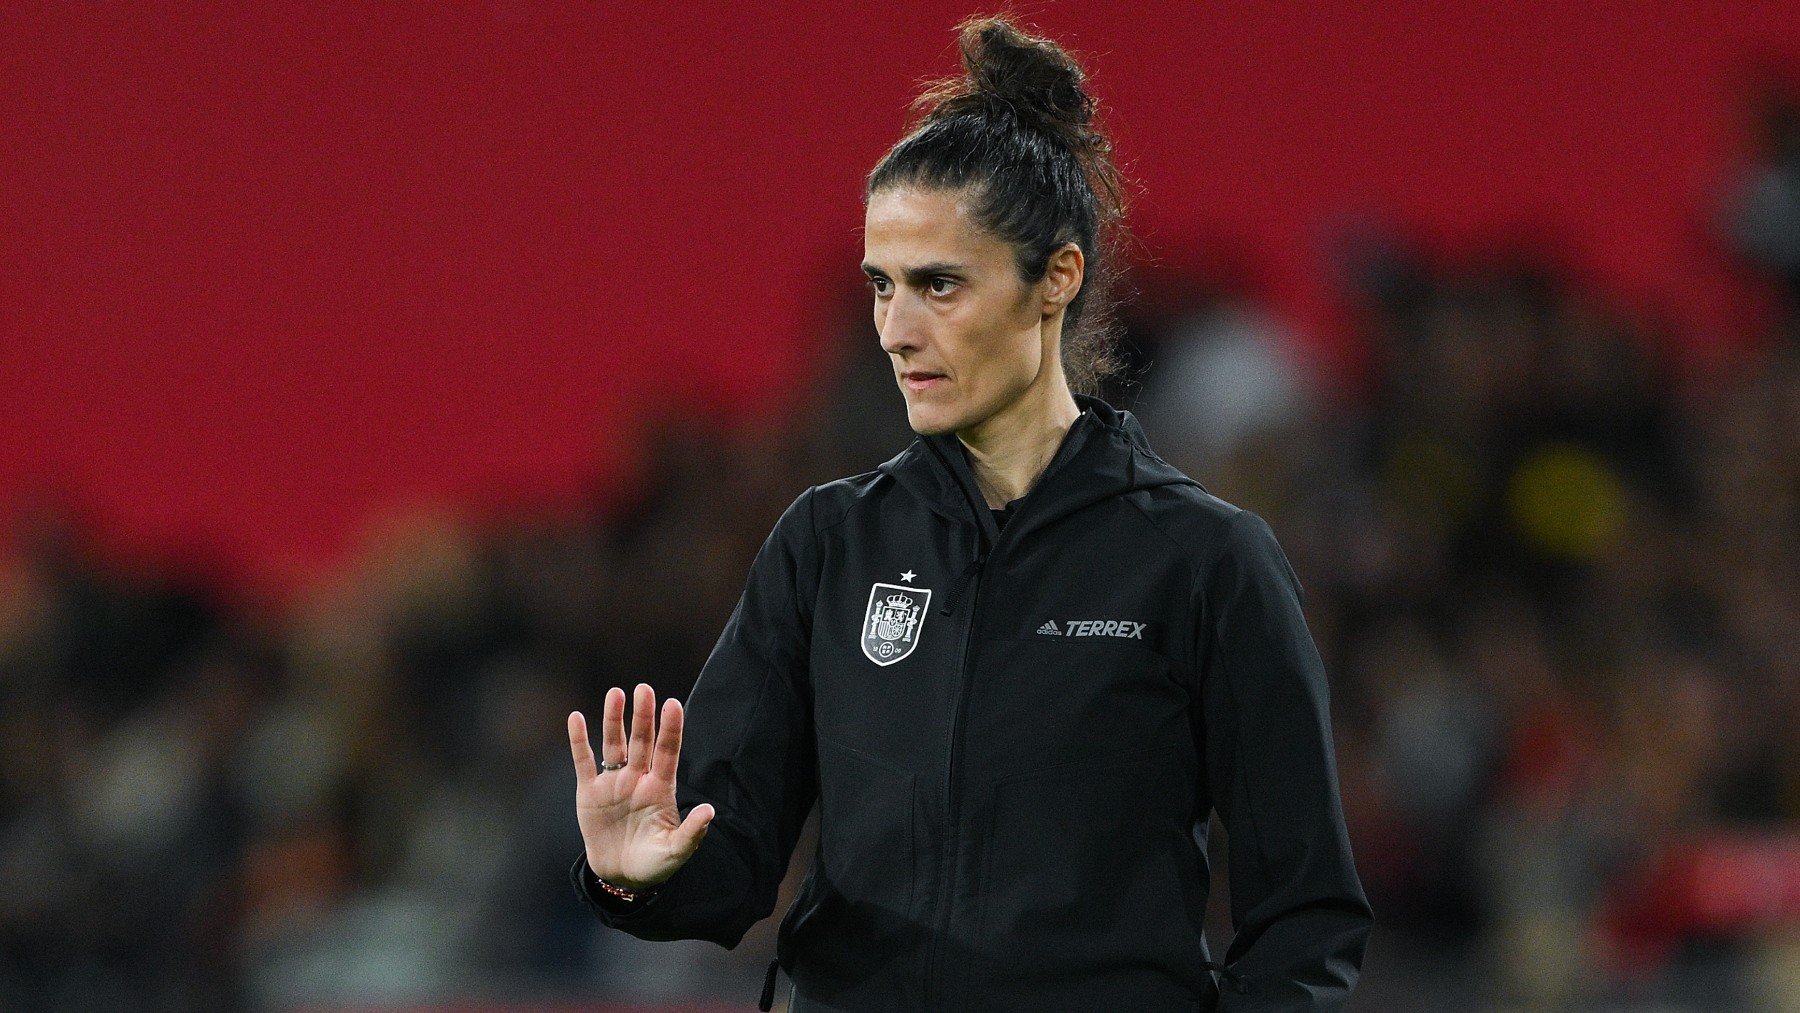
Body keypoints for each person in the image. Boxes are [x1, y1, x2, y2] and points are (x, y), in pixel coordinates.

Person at [565, 15, 1372, 1010]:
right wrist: (641, 870)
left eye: (939, 285)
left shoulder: (1207, 561)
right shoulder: (826, 544)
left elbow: (1306, 916)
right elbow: (729, 858)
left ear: (1056, 278)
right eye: (882, 287)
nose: (897, 331)